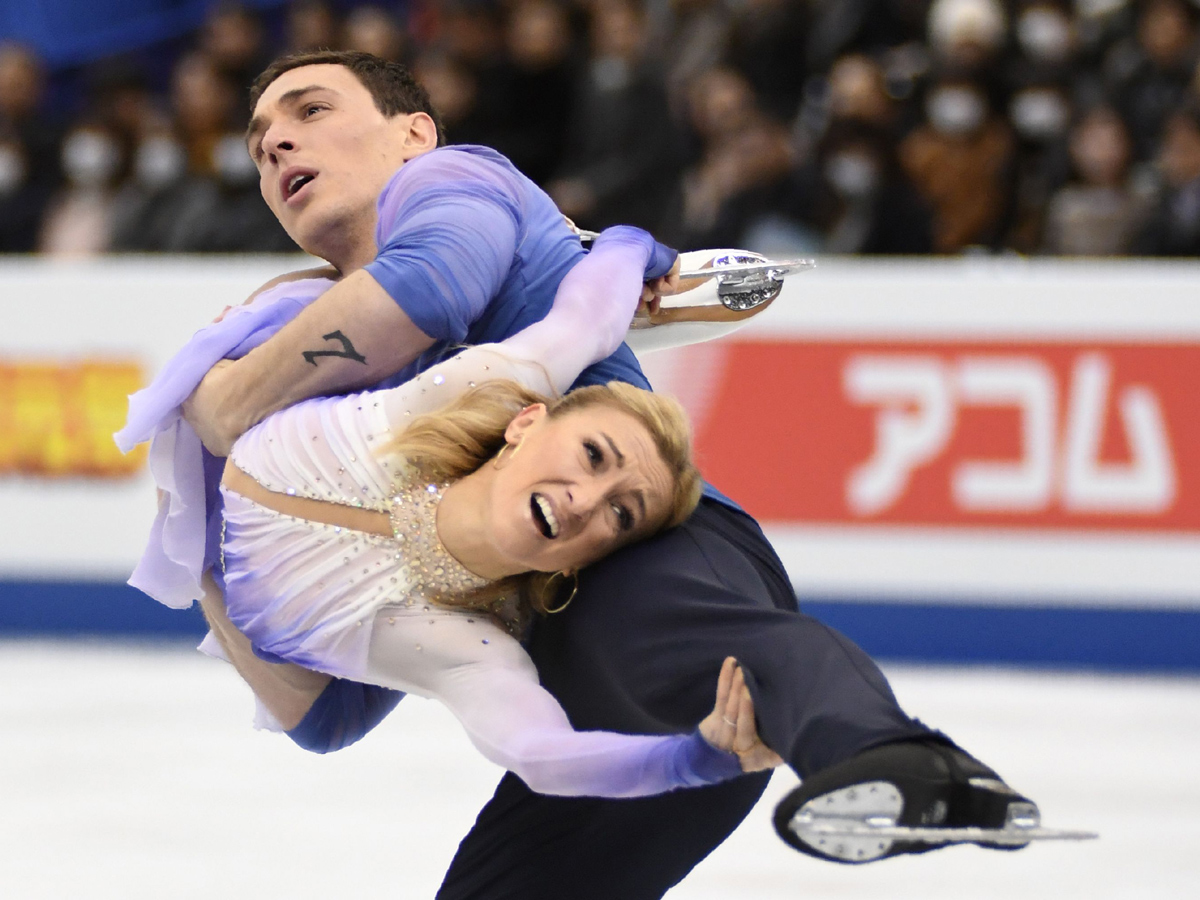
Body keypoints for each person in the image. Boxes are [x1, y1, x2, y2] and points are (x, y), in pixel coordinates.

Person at [168, 50, 1037, 897]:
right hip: (599, 716)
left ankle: (885, 758)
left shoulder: (453, 185)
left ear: (413, 135)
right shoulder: (307, 335)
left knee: (724, 639)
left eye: (311, 110)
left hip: (652, 545)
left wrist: (222, 405)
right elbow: (327, 716)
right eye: (258, 141)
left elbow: (438, 289)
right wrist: (209, 544)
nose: (277, 141)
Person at [129, 225, 781, 797]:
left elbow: (539, 752)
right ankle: (532, 285)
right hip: (259, 447)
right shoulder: (433, 402)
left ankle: (544, 317)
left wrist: (692, 759)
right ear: (525, 425)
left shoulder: (468, 651)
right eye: (591, 458)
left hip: (276, 580)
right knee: (447, 338)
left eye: (623, 513)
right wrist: (627, 245)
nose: (587, 501)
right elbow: (584, 325)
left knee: (323, 729)